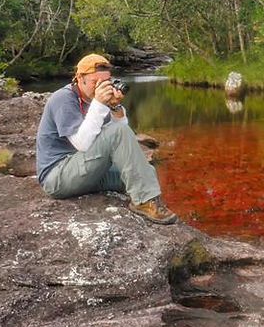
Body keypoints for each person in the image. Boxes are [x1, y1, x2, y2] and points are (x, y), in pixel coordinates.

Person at [36, 53, 178, 224]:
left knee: (145, 173)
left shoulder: (93, 101)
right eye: (96, 82)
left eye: (105, 82)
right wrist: (99, 103)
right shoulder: (63, 99)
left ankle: (145, 197)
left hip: (85, 170)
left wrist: (114, 105)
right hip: (58, 177)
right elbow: (82, 144)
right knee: (119, 136)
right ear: (80, 78)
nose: (101, 87)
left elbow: (123, 130)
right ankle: (143, 202)